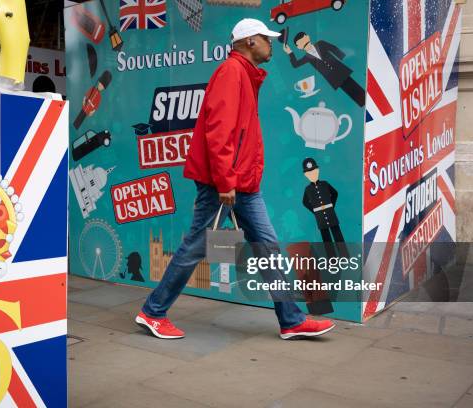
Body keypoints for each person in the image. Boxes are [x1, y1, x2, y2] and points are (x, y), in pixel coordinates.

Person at [135, 18, 335, 340]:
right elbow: (220, 132)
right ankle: (153, 312)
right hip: (225, 184)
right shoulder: (232, 72)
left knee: (267, 246)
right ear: (250, 41)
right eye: (266, 39)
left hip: (243, 184)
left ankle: (291, 320)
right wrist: (225, 181)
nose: (271, 44)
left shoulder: (245, 75)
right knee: (195, 248)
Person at [283, 32, 365, 107]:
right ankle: (361, 103)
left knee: (353, 84)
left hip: (340, 69)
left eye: (303, 40)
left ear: (307, 37)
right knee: (348, 91)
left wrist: (345, 58)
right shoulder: (307, 57)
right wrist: (290, 53)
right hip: (331, 77)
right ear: (298, 47)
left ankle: (364, 100)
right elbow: (296, 64)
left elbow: (333, 48)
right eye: (300, 44)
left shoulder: (320, 44)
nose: (304, 44)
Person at [301, 158, 349, 258]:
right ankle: (332, 259)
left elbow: (335, 193)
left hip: (330, 214)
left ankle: (344, 255)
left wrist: (331, 206)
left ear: (318, 171)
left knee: (337, 234)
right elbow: (305, 202)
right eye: (309, 173)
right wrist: (315, 211)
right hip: (320, 218)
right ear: (306, 175)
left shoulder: (325, 184)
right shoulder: (308, 189)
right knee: (326, 238)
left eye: (314, 172)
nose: (312, 175)